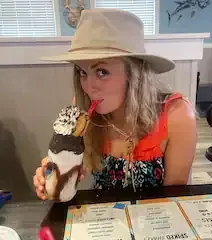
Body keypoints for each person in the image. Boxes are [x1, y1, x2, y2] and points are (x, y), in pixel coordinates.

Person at [33, 8, 197, 200]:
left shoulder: (177, 115)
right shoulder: (83, 110)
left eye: (102, 72)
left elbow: (173, 196)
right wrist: (55, 172)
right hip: (103, 221)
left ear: (134, 74)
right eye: (82, 72)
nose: (88, 87)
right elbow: (74, 165)